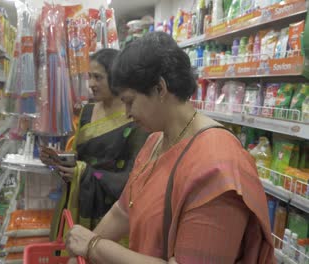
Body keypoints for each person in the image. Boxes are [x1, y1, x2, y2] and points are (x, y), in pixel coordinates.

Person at [65, 32, 274, 263]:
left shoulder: (219, 166)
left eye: (129, 101)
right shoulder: (155, 140)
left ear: (160, 89)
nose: (127, 114)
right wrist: (83, 251)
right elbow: (123, 210)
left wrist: (94, 246)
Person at [40, 48, 148, 240]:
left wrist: (83, 173)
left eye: (98, 77)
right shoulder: (87, 112)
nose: (91, 84)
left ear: (115, 78)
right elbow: (78, 160)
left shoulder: (135, 118)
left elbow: (132, 179)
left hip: (112, 214)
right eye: (89, 76)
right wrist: (58, 162)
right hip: (79, 201)